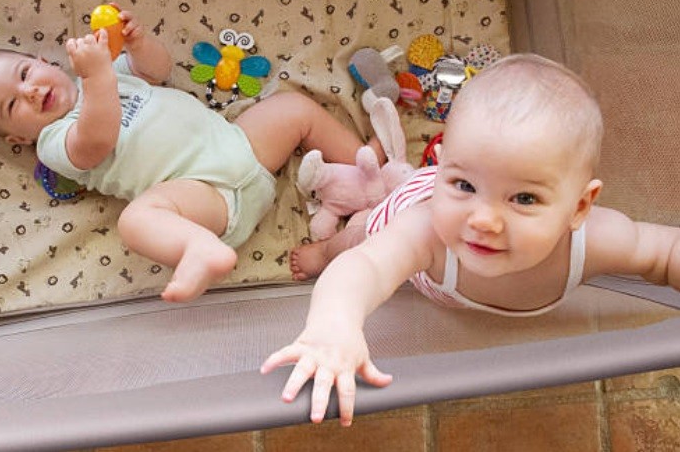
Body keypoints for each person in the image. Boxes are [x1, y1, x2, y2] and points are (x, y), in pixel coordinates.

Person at [261, 53, 680, 426]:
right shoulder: (425, 230)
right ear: (442, 168)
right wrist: (334, 325)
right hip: (410, 208)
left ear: (579, 208)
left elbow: (665, 253)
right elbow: (364, 268)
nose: (484, 220)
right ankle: (323, 248)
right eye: (464, 184)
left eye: (524, 198)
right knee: (355, 240)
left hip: (443, 205)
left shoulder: (600, 240)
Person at [0, 7, 383, 303]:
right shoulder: (54, 142)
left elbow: (156, 72)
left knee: (295, 109)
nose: (30, 92)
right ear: (17, 138)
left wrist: (139, 43)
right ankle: (198, 250)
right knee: (137, 220)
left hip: (239, 146)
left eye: (25, 74)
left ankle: (372, 173)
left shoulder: (102, 75)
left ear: (40, 61)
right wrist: (99, 75)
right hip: (206, 198)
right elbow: (97, 140)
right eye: (13, 106)